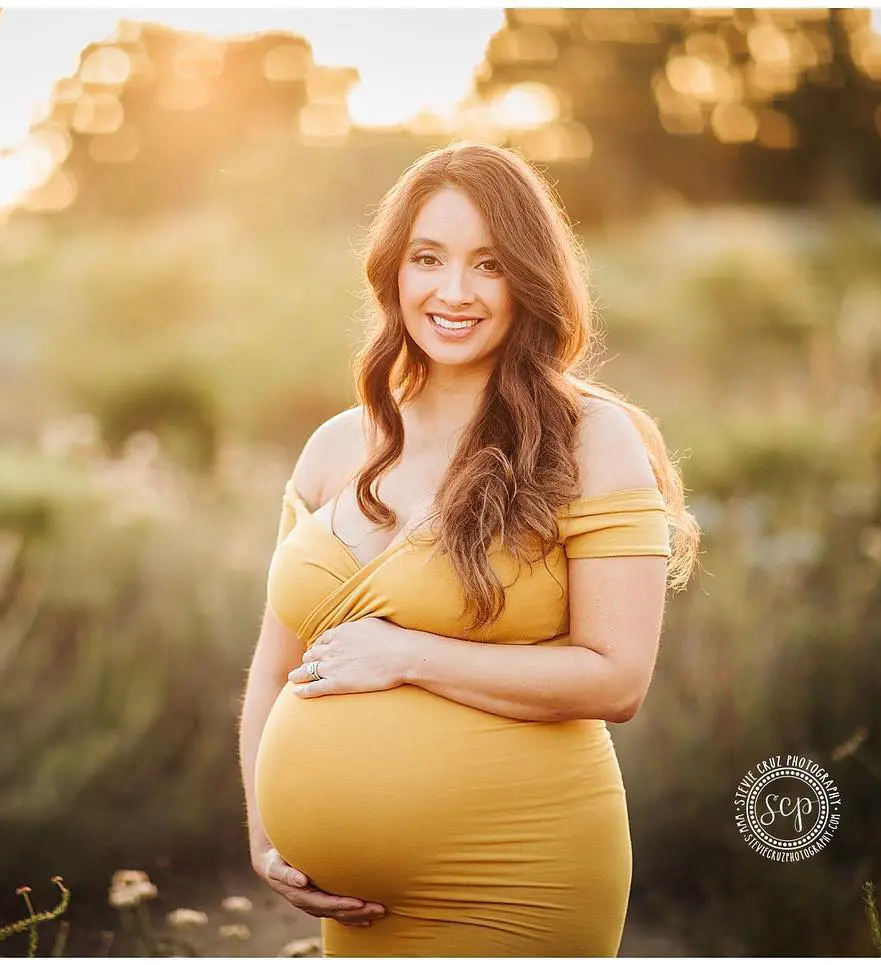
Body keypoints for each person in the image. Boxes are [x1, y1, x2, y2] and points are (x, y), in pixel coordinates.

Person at [236, 141, 699, 956]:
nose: (454, 292)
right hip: (355, 907)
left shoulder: (591, 439)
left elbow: (617, 676)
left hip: (522, 875)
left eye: (488, 264)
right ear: (393, 274)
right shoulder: (335, 445)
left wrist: (409, 654)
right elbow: (275, 667)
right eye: (428, 258)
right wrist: (264, 833)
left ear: (529, 280)